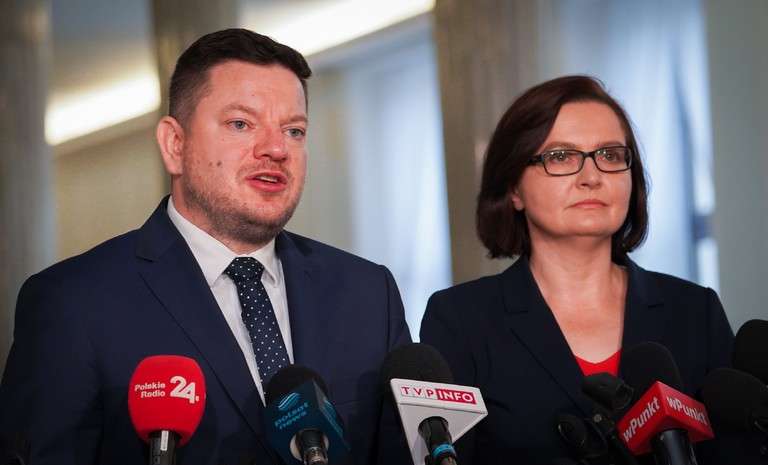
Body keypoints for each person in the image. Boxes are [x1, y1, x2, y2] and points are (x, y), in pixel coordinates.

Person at [0, 28, 411, 465]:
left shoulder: (369, 293)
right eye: (241, 124)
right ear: (174, 145)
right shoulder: (74, 302)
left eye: (294, 130)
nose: (276, 148)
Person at [419, 75, 764, 464]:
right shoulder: (461, 319)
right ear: (514, 188)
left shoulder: (695, 310)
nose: (592, 177)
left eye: (611, 155)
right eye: (561, 156)